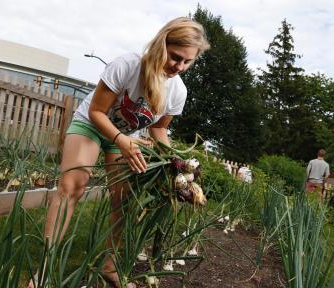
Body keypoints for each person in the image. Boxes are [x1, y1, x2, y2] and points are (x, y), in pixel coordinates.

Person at [28, 17, 210, 288]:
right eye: (175, 57)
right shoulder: (127, 65)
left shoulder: (178, 91)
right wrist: (121, 138)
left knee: (125, 200)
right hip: (92, 124)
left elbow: (159, 130)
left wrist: (174, 162)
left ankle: (109, 266)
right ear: (162, 43)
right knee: (72, 185)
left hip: (127, 139)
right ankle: (43, 270)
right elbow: (96, 111)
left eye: (187, 62)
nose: (179, 67)